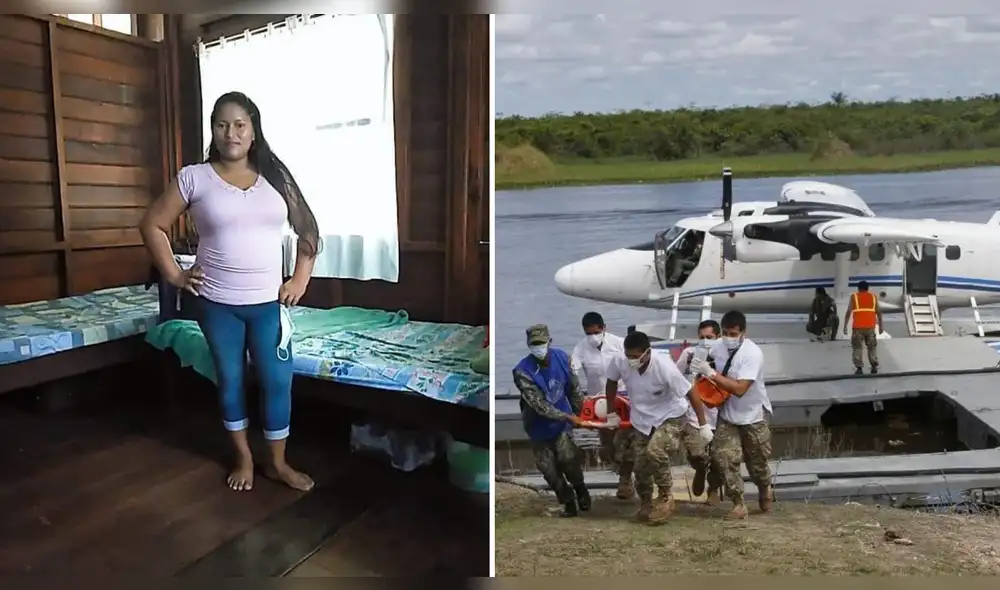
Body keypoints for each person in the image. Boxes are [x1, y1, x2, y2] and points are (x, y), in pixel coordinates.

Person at [140, 91, 321, 493]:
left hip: (268, 307)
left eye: (240, 124)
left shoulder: (276, 177)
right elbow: (152, 224)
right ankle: (243, 456)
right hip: (217, 304)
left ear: (253, 131)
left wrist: (299, 280)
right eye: (222, 124)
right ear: (213, 131)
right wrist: (174, 275)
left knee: (277, 380)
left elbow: (308, 231)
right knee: (231, 378)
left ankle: (277, 463)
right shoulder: (194, 177)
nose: (231, 132)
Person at [604, 331, 714, 525]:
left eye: (636, 357)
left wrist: (703, 424)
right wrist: (611, 412)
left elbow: (690, 392)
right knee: (640, 465)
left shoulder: (664, 366)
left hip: (670, 415)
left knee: (655, 451)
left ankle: (665, 496)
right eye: (628, 355)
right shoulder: (620, 360)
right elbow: (611, 381)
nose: (631, 360)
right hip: (642, 419)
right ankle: (646, 503)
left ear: (647, 352)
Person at [690, 310, 774, 520]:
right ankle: (738, 503)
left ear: (743, 332)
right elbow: (700, 366)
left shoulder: (752, 354)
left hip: (753, 414)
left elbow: (740, 389)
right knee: (724, 457)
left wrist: (712, 374)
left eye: (733, 333)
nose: (729, 337)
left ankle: (764, 486)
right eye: (725, 333)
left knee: (757, 462)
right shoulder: (718, 347)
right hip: (727, 414)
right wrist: (699, 367)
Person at [513, 324, 591, 517]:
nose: (538, 347)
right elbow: (538, 404)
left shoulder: (563, 358)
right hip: (538, 425)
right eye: (534, 344)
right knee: (548, 470)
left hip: (562, 424)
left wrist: (583, 415)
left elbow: (573, 390)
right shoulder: (522, 371)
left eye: (541, 343)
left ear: (549, 341)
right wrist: (569, 416)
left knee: (568, 459)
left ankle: (581, 491)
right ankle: (568, 502)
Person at [569, 311, 635, 500]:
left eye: (596, 332)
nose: (593, 337)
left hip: (623, 398)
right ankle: (620, 471)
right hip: (598, 402)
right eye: (588, 333)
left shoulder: (618, 343)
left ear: (604, 328)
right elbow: (573, 368)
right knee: (608, 445)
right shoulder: (581, 347)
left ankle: (626, 480)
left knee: (624, 439)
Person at [673, 319, 724, 503]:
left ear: (718, 336)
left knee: (720, 457)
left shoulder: (726, 356)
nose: (705, 341)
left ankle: (714, 490)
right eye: (701, 337)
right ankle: (701, 469)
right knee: (695, 453)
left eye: (709, 337)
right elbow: (675, 377)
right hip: (695, 414)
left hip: (721, 413)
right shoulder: (689, 354)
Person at [842, 280, 884, 374]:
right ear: (867, 288)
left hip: (858, 328)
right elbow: (879, 312)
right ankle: (874, 366)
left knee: (857, 348)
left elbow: (849, 312)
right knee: (872, 347)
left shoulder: (854, 297)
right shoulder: (873, 297)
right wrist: (881, 327)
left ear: (858, 288)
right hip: (870, 327)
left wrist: (845, 326)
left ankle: (859, 368)